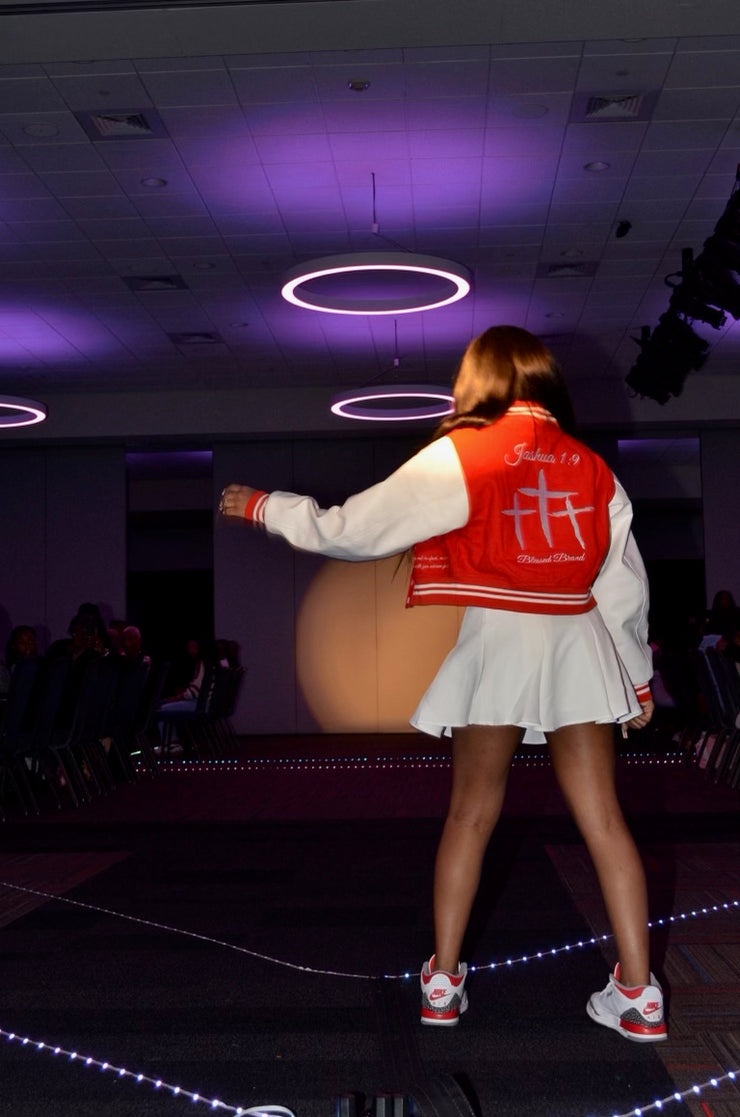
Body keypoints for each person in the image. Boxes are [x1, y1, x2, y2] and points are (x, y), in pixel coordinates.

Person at [219, 325, 664, 1043]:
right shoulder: (591, 466)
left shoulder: (463, 452)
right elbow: (623, 587)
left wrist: (267, 507)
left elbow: (352, 528)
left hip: (499, 640)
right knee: (605, 819)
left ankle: (443, 983)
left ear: (478, 380)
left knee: (470, 814)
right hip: (578, 639)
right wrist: (636, 679)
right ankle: (641, 994)